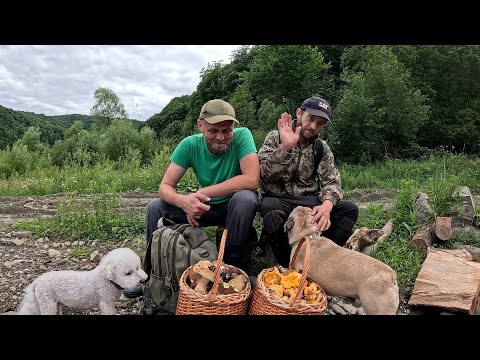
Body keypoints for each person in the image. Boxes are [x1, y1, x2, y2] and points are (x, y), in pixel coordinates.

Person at [147, 98, 259, 269]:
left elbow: (251, 179)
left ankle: (231, 268)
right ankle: (154, 270)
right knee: (156, 207)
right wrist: (184, 202)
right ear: (200, 125)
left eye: (227, 130)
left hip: (233, 208)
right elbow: (165, 186)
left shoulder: (242, 136)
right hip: (202, 209)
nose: (220, 137)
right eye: (213, 130)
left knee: (246, 198)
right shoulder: (189, 145)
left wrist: (205, 191)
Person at [257, 96, 359, 267]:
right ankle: (287, 265)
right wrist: (286, 148)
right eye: (311, 118)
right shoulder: (275, 138)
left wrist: (327, 205)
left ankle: (321, 260)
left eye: (320, 123)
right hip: (278, 199)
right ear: (299, 113)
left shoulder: (321, 147)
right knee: (269, 209)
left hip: (308, 200)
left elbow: (332, 181)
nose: (313, 127)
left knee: (349, 210)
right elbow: (264, 175)